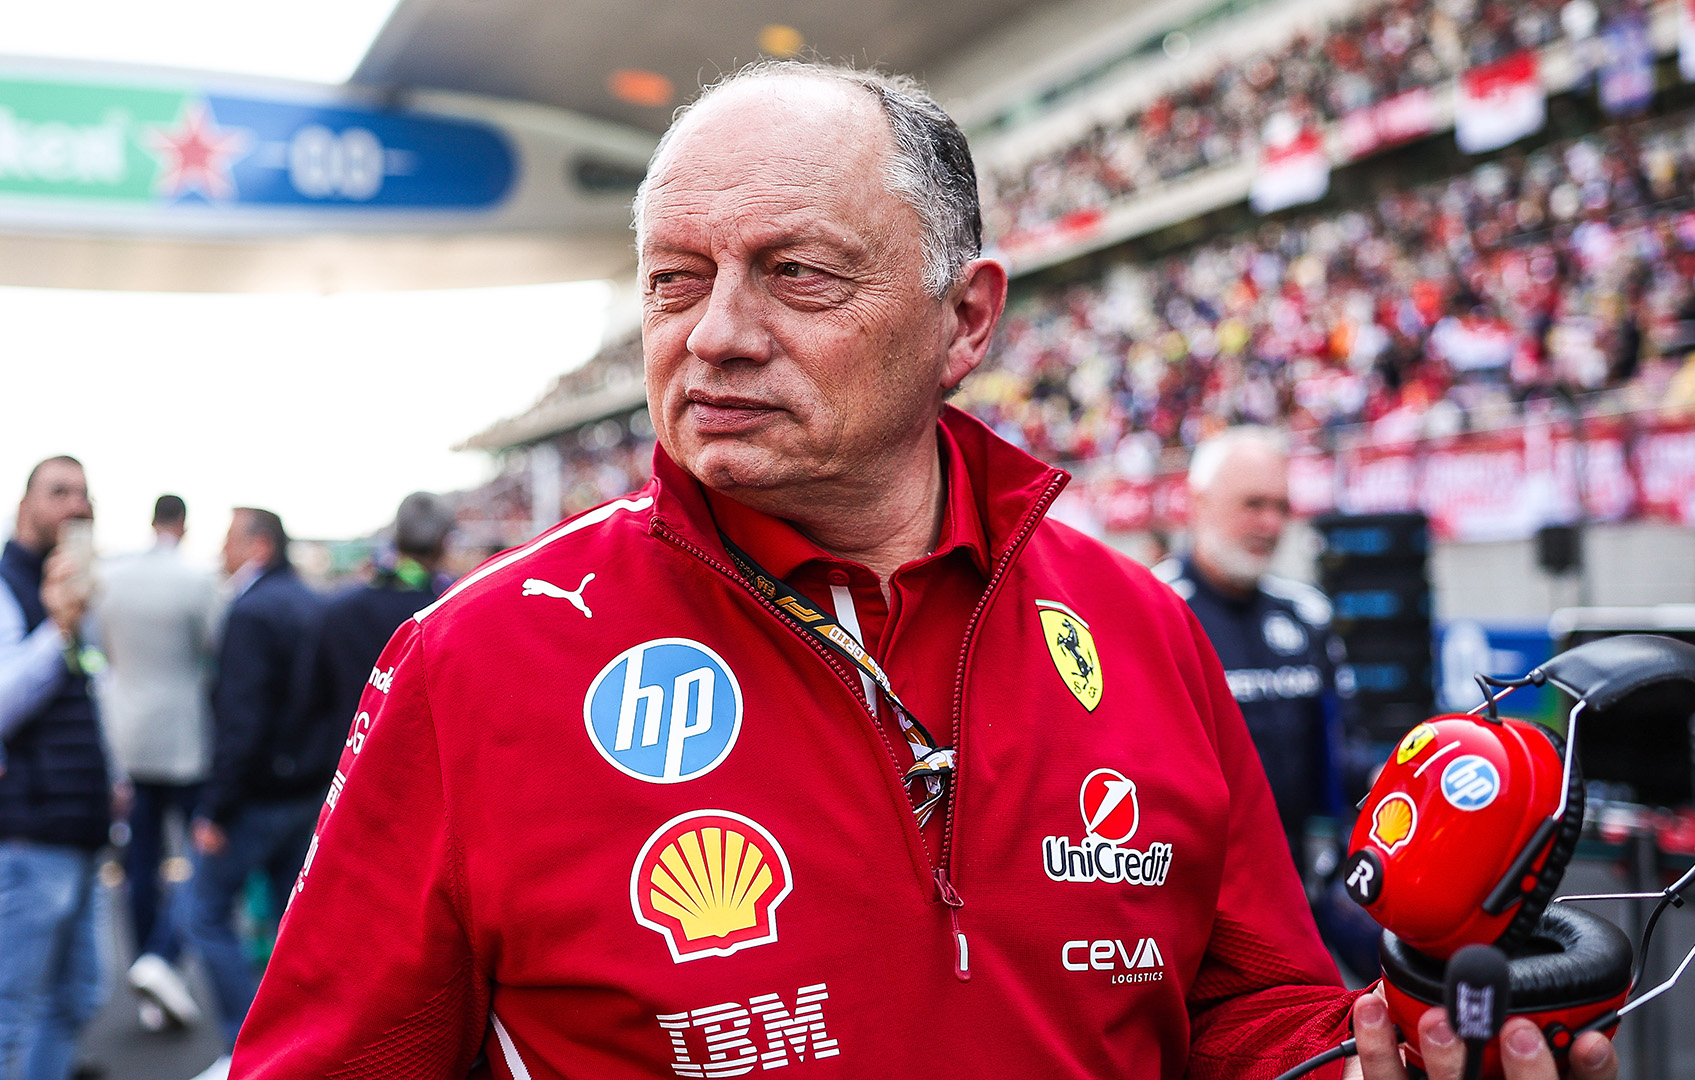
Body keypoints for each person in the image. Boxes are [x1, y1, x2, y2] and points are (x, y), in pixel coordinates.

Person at [232, 63, 1617, 1080]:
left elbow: (1251, 1010)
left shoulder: (1143, 627)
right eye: (675, 279)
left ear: (966, 320)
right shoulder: (474, 662)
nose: (715, 334)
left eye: (796, 273)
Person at [1156, 428, 1380, 980]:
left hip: (1304, 895)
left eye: (1282, 507)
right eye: (1253, 504)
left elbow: (1346, 753)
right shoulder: (1153, 611)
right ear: (1199, 503)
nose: (1272, 524)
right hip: (1192, 912)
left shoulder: (1307, 614)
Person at [186, 508, 319, 1080]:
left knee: (204, 914)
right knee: (295, 925)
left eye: (230, 539)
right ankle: (300, 1041)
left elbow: (242, 719)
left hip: (258, 795)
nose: (221, 549)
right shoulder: (310, 602)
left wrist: (215, 808)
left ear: (259, 546)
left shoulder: (252, 610)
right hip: (305, 790)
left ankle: (247, 1046)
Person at [0, 456, 111, 1080]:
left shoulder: (71, 585)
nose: (77, 505)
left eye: (83, 493)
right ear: (25, 507)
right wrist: (58, 630)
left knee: (76, 999)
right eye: (59, 492)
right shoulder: (7, 587)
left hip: (81, 827)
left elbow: (89, 690)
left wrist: (115, 780)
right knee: (8, 1013)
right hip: (29, 833)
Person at [94, 493, 217, 1032]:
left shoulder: (112, 578)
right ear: (183, 524)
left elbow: (104, 653)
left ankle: (146, 961)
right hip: (186, 735)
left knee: (139, 864)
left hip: (130, 734)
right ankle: (165, 963)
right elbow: (212, 651)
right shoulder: (197, 580)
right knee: (201, 856)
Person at [286, 492, 454, 805]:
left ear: (396, 536)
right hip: (427, 783)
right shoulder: (452, 612)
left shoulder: (338, 610)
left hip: (349, 774)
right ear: (443, 542)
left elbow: (306, 699)